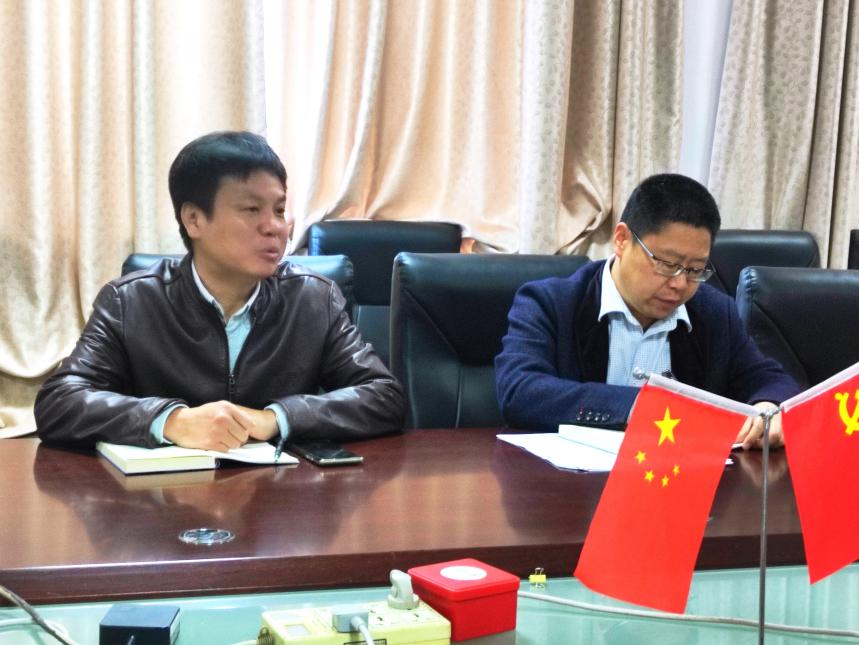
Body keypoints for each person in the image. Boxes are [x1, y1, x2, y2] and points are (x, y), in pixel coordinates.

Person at [36, 131, 405, 450]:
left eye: (279, 210)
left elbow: (383, 395)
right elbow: (59, 402)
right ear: (194, 219)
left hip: (278, 495)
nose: (274, 227)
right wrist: (171, 421)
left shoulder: (312, 299)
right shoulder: (131, 301)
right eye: (251, 209)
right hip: (163, 498)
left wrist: (276, 417)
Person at [495, 173, 799, 449]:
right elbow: (520, 391)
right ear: (622, 240)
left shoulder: (714, 312)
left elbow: (770, 380)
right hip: (570, 483)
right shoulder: (550, 303)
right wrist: (645, 407)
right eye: (667, 264)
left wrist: (769, 406)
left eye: (695, 269)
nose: (680, 284)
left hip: (676, 483)